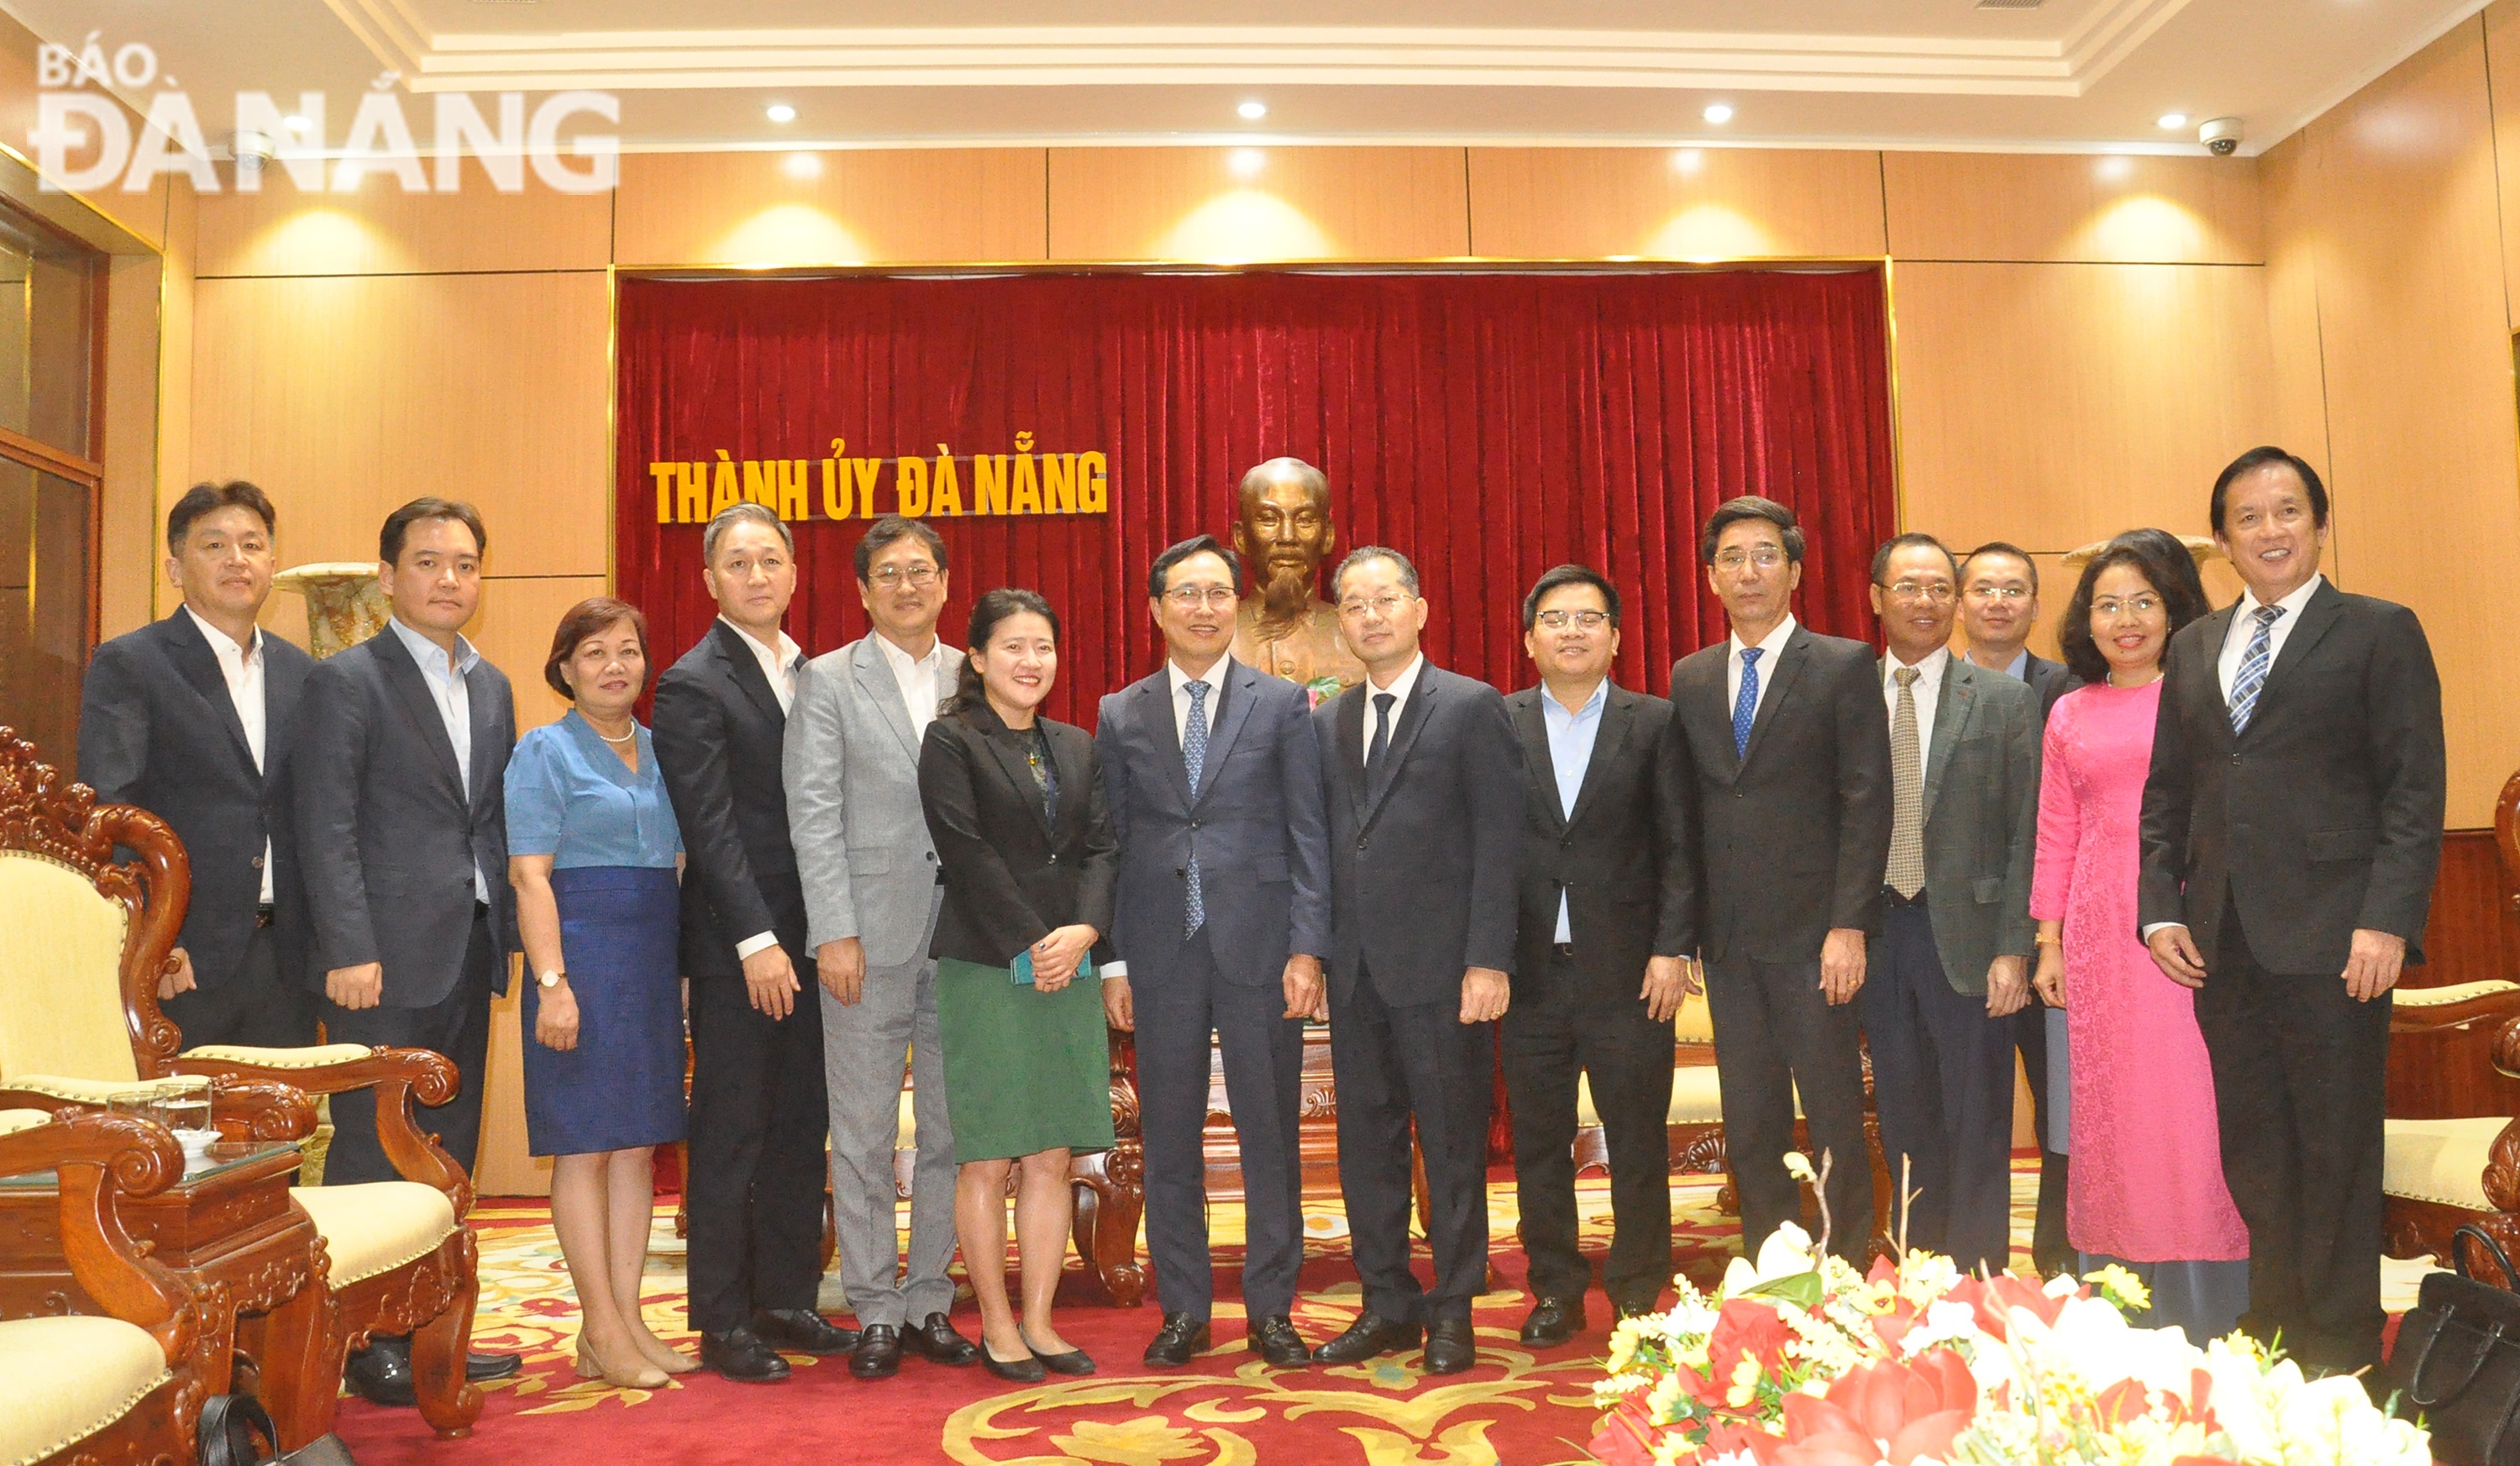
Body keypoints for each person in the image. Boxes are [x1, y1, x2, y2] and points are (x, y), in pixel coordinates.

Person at [2139, 448, 2446, 1374]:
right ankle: (2275, 1323)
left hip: (2337, 937)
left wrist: (2387, 918)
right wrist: (2161, 912)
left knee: (2336, 1141)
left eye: (2288, 512)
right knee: (2258, 1146)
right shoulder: (2195, 644)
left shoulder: (2378, 630)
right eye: (2249, 516)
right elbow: (2168, 794)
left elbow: (2411, 788)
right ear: (2222, 536)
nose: (2270, 530)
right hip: (2223, 939)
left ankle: (2344, 1334)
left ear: (2320, 523)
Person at [294, 496, 522, 1405]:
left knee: (447, 1149)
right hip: (378, 959)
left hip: (468, 946)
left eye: (465, 563)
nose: (449, 579)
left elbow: (487, 819)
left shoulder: (495, 683)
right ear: (388, 577)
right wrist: (348, 945)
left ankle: (435, 1330)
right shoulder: (346, 680)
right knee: (370, 1149)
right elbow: (326, 824)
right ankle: (366, 1338)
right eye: (428, 562)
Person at [1096, 535, 1329, 1370]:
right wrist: (1113, 961)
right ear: (1156, 608)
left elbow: (1309, 834)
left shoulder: (1282, 704)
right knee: (1169, 1136)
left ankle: (1272, 1307)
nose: (1203, 607)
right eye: (1185, 594)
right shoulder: (1120, 711)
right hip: (1160, 949)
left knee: (1271, 1136)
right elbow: (1110, 845)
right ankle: (1184, 1308)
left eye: (1217, 592)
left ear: (1239, 603)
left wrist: (1308, 947)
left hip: (1262, 948)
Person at [653, 502, 856, 1383]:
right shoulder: (692, 682)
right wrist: (755, 939)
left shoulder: (816, 671)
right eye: (738, 563)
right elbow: (711, 826)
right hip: (747, 941)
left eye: (771, 559)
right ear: (710, 580)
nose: (758, 576)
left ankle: (785, 1293)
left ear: (795, 571)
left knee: (798, 1119)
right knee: (732, 1123)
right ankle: (724, 1316)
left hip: (819, 934)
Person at [1308, 546, 1522, 1376]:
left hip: (1445, 972)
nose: (1370, 615)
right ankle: (1386, 1300)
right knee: (1366, 1146)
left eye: (1385, 598)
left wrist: (1488, 958)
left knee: (1454, 1143)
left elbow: (1501, 843)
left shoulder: (1471, 707)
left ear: (1421, 608)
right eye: (1354, 603)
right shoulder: (1326, 720)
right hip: (1355, 971)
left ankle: (1454, 1305)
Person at [2032, 529, 2249, 1342]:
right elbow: (2055, 830)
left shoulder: (2205, 695)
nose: (2125, 620)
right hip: (2096, 930)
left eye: (2144, 602)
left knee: (2191, 1103)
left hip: (2187, 921)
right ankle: (2121, 1294)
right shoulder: (2068, 710)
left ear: (2175, 609)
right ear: (2085, 620)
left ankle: (2214, 1292)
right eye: (2107, 604)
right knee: (2112, 1110)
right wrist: (2048, 939)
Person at [1662, 495, 1887, 1261]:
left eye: (1764, 554)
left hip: (1816, 936)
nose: (1748, 571)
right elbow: (1687, 815)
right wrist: (1685, 931)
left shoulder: (1842, 662)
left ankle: (1848, 1263)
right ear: (1712, 579)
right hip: (1728, 943)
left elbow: (1866, 800)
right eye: (1732, 558)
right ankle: (1769, 1263)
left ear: (1793, 570)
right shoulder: (1690, 677)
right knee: (1750, 1116)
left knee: (1831, 1114)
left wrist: (1849, 924)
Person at [783, 515, 982, 1380]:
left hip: (966, 938)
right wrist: (833, 930)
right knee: (861, 1133)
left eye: (922, 570)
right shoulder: (826, 680)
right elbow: (813, 814)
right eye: (889, 573)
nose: (908, 585)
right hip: (864, 937)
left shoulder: (973, 676)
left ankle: (929, 1297)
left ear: (945, 583)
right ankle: (871, 1303)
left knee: (951, 1130)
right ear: (863, 591)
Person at [918, 589, 1120, 1385]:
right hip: (988, 964)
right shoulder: (952, 740)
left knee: (1051, 1153)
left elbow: (1103, 847)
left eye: (1043, 646)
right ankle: (996, 1324)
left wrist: (1084, 932)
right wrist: (1036, 943)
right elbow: (965, 853)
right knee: (989, 1157)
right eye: (1012, 647)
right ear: (976, 657)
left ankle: (1040, 1320)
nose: (1030, 661)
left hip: (1070, 962)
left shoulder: (1076, 744)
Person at [1501, 565, 1694, 1343]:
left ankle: (1640, 1284)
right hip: (1529, 972)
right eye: (1555, 618)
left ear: (1615, 636)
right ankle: (1554, 1288)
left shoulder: (1656, 722)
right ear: (1529, 639)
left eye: (1588, 617)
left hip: (1630, 972)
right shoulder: (1498, 720)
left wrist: (1672, 947)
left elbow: (1681, 846)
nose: (1571, 630)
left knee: (1637, 1139)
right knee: (1540, 1141)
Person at [505, 597, 692, 1390]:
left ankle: (625, 1318)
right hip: (579, 962)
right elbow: (529, 874)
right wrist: (553, 983)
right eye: (593, 653)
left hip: (650, 964)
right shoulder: (542, 751)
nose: (614, 665)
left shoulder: (661, 748)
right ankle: (598, 1323)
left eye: (626, 650)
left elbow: (680, 869)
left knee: (637, 1145)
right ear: (565, 667)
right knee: (584, 1146)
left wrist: (680, 976)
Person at [78, 481, 317, 1049]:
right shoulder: (132, 663)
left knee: (284, 1131)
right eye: (214, 545)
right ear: (175, 567)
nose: (237, 560)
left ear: (272, 563)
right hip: (183, 958)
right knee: (184, 1132)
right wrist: (157, 936)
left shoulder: (304, 674)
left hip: (288, 958)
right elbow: (112, 810)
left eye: (252, 545)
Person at [1860, 533, 2038, 1275]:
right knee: (1902, 1114)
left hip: (1970, 936)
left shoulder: (2003, 698)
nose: (1924, 601)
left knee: (1977, 1119)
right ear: (1878, 597)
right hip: (1876, 933)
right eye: (1908, 586)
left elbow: (2026, 832)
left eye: (1939, 587)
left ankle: (1979, 1282)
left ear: (1956, 602)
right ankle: (1916, 1275)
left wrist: (2014, 947)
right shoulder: (1848, 694)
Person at [1957, 540, 2080, 1278]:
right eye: (1983, 589)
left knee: (2063, 1102)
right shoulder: (1927, 689)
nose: (1998, 602)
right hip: (1964, 937)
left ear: (2036, 605)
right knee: (1974, 1107)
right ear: (1960, 603)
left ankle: (2062, 1259)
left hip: (2062, 932)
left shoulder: (2069, 687)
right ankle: (1976, 1268)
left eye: (2014, 590)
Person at [1227, 457, 1368, 698]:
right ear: (1241, 537)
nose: (1287, 536)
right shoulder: (1210, 634)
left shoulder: (1360, 631)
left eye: (1305, 520)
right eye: (1269, 519)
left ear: (1328, 536)